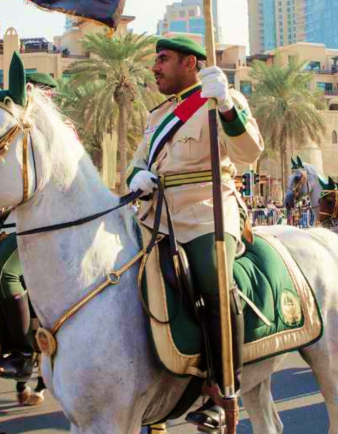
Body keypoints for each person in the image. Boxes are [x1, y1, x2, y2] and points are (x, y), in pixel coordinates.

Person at [126, 36, 264, 431]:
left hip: (207, 211)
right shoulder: (158, 115)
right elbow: (139, 159)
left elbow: (248, 152)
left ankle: (225, 388)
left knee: (213, 281)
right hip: (157, 216)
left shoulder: (220, 98)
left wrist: (226, 106)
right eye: (156, 60)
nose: (155, 67)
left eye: (163, 59)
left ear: (190, 63)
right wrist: (138, 176)